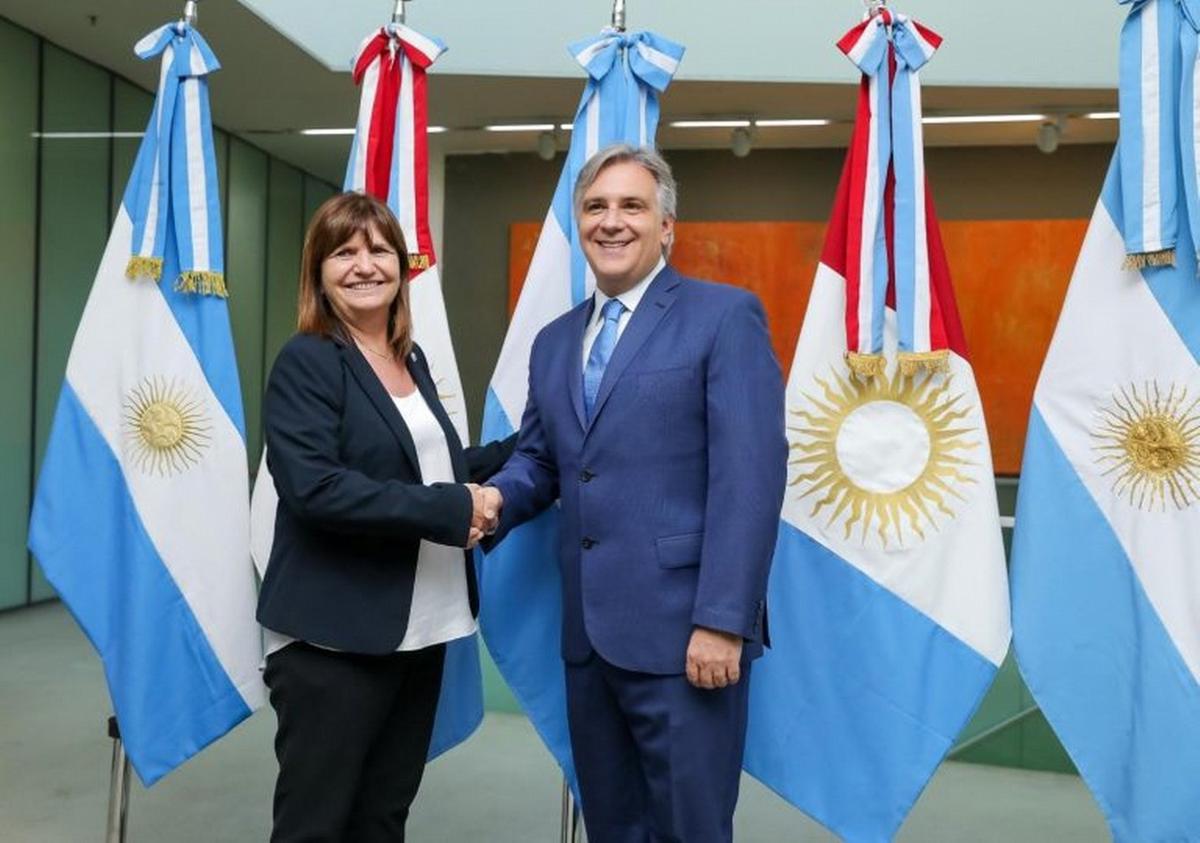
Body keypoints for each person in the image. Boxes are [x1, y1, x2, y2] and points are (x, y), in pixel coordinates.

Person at [481, 145, 787, 843]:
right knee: (614, 828)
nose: (611, 221)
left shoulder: (723, 317)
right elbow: (541, 460)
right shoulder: (554, 343)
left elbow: (751, 476)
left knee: (690, 830)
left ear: (666, 226)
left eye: (631, 206)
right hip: (589, 642)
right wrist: (491, 500)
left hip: (687, 640)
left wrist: (722, 619)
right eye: (595, 206)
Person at [257, 191, 511, 843]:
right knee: (317, 826)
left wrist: (535, 444)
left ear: (402, 264)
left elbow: (434, 469)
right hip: (335, 639)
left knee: (382, 817)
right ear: (318, 272)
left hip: (419, 629)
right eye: (344, 251)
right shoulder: (309, 359)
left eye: (378, 249)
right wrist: (455, 508)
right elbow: (317, 488)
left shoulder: (408, 359)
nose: (364, 264)